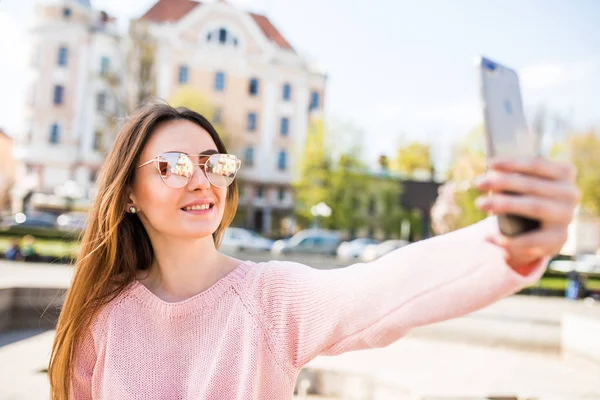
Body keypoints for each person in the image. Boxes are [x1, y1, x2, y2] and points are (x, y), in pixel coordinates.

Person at [48, 104, 580, 399]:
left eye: (214, 164)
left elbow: (381, 288)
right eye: (173, 166)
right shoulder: (104, 319)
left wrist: (506, 242)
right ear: (130, 196)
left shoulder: (267, 299)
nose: (201, 181)